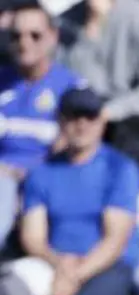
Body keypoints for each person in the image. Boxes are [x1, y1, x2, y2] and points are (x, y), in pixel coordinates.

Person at [6, 87, 139, 295]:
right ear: (60, 121)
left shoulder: (119, 168)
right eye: (73, 117)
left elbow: (115, 240)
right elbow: (33, 236)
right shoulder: (41, 172)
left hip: (104, 267)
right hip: (53, 265)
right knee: (11, 283)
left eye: (90, 117)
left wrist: (73, 277)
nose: (82, 125)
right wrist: (59, 264)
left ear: (101, 121)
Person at [0, 2, 82, 245]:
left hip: (48, 178)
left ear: (53, 36)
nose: (25, 43)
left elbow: (72, 145)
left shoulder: (71, 87)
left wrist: (26, 174)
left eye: (35, 35)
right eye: (17, 36)